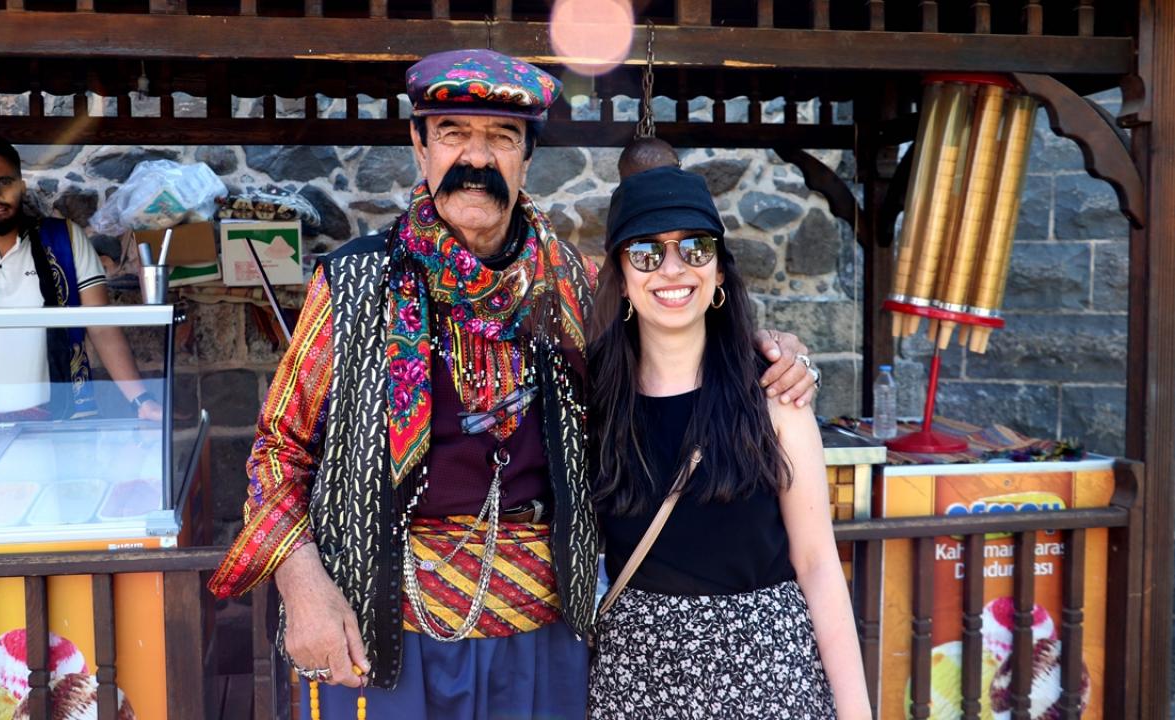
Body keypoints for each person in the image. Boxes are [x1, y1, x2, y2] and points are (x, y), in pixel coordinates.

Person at [208, 49, 818, 719]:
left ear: (528, 156)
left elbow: (679, 339)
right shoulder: (354, 285)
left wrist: (772, 351)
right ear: (419, 145)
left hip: (543, 636)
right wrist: (302, 585)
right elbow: (278, 449)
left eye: (501, 137)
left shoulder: (577, 287)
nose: (476, 158)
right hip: (383, 628)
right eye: (453, 134)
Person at [586, 166, 870, 719]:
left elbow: (817, 562)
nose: (673, 268)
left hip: (769, 678)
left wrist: (856, 711)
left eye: (695, 247)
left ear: (718, 271)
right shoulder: (591, 401)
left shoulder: (773, 394)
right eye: (645, 252)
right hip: (636, 682)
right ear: (620, 278)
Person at [0, 131, 162, 423]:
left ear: (21, 186)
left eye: (4, 181)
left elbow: (102, 327)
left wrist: (142, 401)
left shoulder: (64, 239)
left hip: (55, 423)